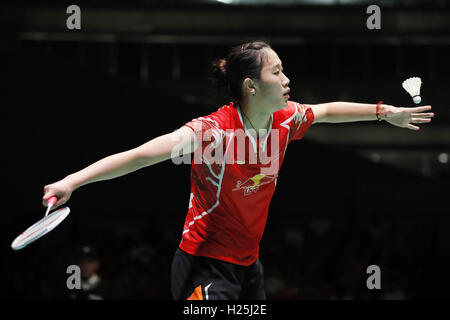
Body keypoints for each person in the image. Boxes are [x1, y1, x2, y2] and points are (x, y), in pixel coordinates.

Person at [42, 40, 434, 300]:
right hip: (203, 265)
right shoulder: (212, 131)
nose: (287, 79)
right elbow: (140, 155)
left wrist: (386, 113)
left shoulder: (286, 118)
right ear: (250, 85)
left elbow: (329, 110)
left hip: (249, 266)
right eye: (277, 72)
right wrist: (72, 181)